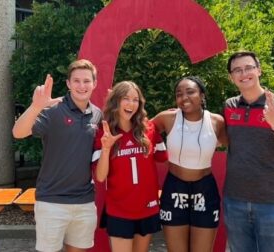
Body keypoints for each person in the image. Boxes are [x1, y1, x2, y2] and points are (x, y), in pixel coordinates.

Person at [12, 59, 102, 252]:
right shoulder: (53, 110)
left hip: (84, 202)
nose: (82, 86)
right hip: (51, 202)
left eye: (86, 81)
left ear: (94, 84)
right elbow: (18, 132)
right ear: (68, 84)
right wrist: (36, 107)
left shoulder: (97, 115)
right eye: (76, 81)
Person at [223, 51, 274, 252]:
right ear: (232, 77)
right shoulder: (230, 106)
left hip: (271, 203)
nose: (244, 73)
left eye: (248, 67)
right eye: (237, 70)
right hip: (234, 201)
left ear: (259, 70)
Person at [151, 76, 228, 252]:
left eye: (190, 92)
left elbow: (237, 146)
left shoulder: (217, 122)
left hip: (205, 190)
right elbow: (140, 130)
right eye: (179, 94)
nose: (184, 97)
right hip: (175, 188)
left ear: (202, 95)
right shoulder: (167, 118)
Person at [93, 81, 168, 252]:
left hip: (146, 207)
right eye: (125, 98)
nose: (131, 104)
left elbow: (163, 157)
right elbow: (100, 176)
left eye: (135, 100)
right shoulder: (104, 132)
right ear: (116, 101)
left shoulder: (148, 128)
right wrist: (106, 149)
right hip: (119, 209)